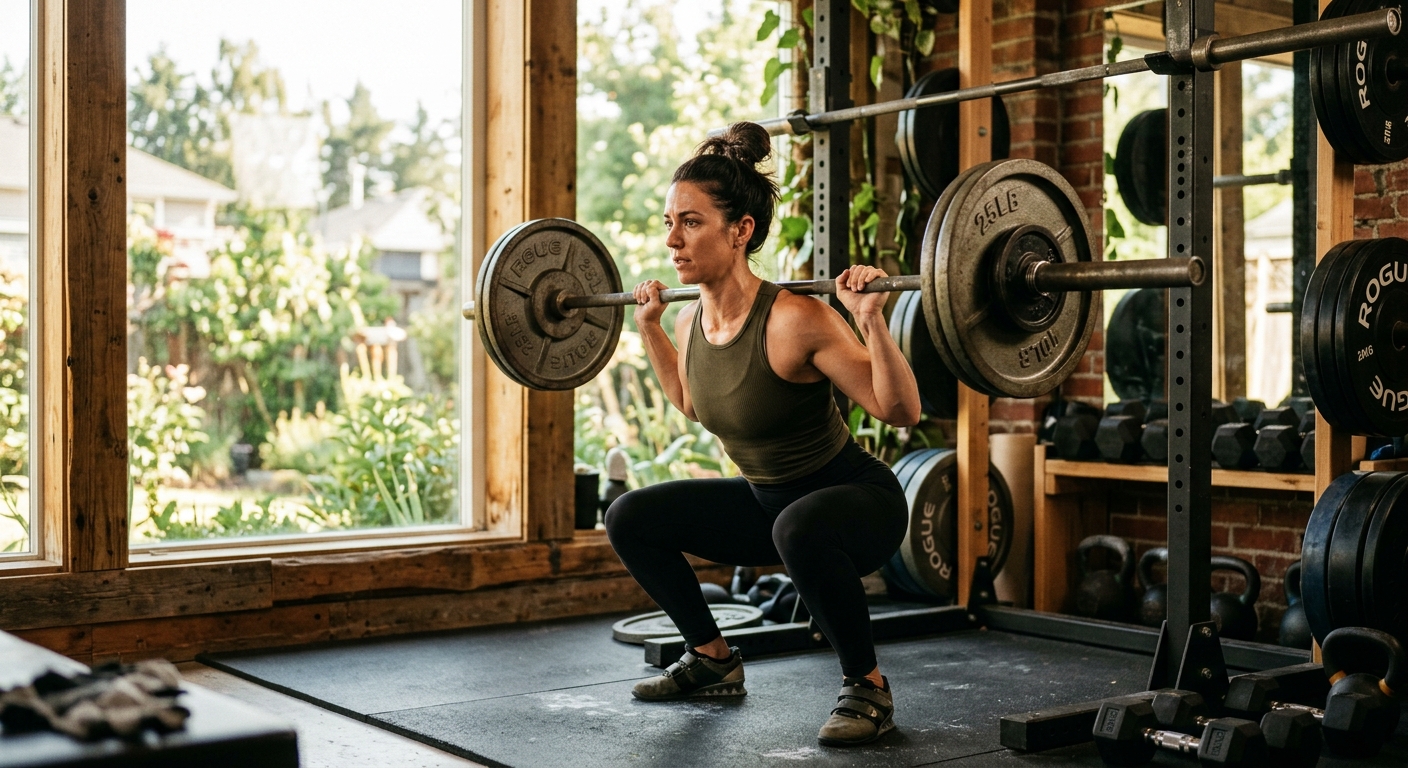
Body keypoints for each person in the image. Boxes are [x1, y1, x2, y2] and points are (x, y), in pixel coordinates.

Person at [604, 121, 922, 747]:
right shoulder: (692, 320)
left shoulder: (796, 319)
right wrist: (650, 329)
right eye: (669, 222)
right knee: (630, 516)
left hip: (857, 505)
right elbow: (692, 403)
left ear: (740, 230)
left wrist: (870, 321)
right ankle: (712, 659)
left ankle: (868, 686)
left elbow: (900, 409)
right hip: (769, 504)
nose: (672, 239)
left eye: (690, 222)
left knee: (797, 526)